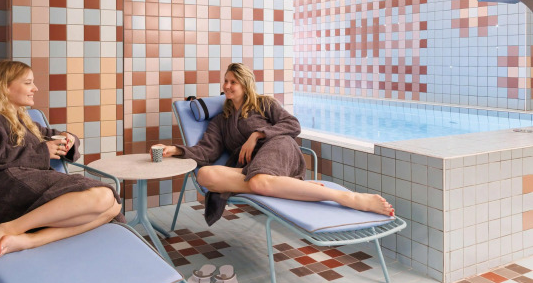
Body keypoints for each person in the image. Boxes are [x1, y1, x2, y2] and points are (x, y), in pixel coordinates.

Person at [152, 62, 393, 225]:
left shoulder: (265, 104)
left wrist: (257, 135)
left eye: (233, 82)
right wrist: (176, 149)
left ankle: (348, 198)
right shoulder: (221, 120)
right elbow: (207, 150)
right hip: (253, 167)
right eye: (225, 81)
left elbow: (293, 125)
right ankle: (286, 185)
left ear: (245, 84)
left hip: (279, 148)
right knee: (205, 174)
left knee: (257, 180)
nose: (226, 86)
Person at [0, 60, 122, 268]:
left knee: (113, 206)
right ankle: (4, 229)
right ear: (5, 87)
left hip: (29, 197)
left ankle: (27, 240)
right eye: (28, 83)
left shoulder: (25, 121)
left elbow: (55, 136)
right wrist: (41, 152)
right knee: (105, 197)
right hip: (7, 197)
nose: (35, 88)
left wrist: (68, 139)